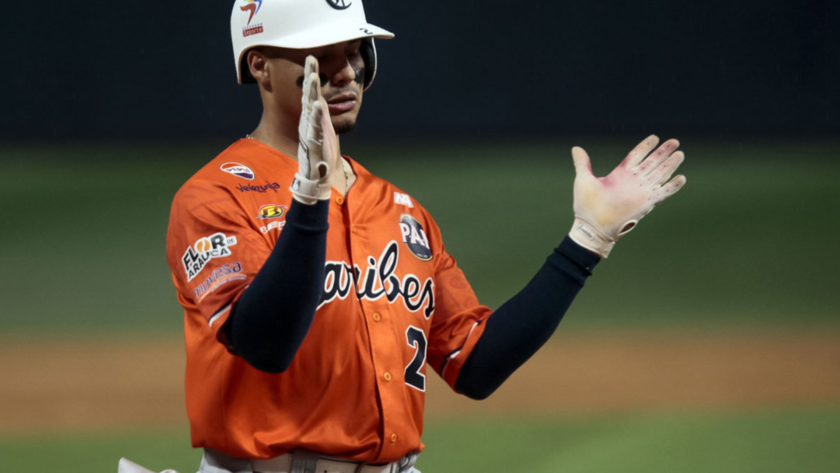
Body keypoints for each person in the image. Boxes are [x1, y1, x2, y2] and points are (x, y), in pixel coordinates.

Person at [157, 1, 687, 472]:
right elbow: (264, 345)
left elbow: (475, 364)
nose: (346, 73)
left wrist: (587, 240)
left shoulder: (398, 211)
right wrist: (309, 203)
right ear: (259, 66)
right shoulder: (215, 197)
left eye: (356, 51)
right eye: (321, 54)